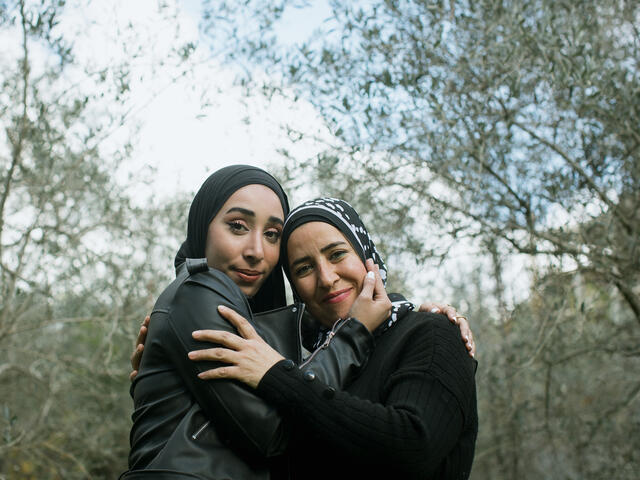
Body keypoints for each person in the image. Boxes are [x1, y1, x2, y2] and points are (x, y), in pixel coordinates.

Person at [122, 165, 475, 479]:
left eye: (337, 254)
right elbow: (280, 427)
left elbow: (413, 447)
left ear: (367, 256)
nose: (326, 278)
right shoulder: (203, 297)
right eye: (303, 268)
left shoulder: (426, 332)